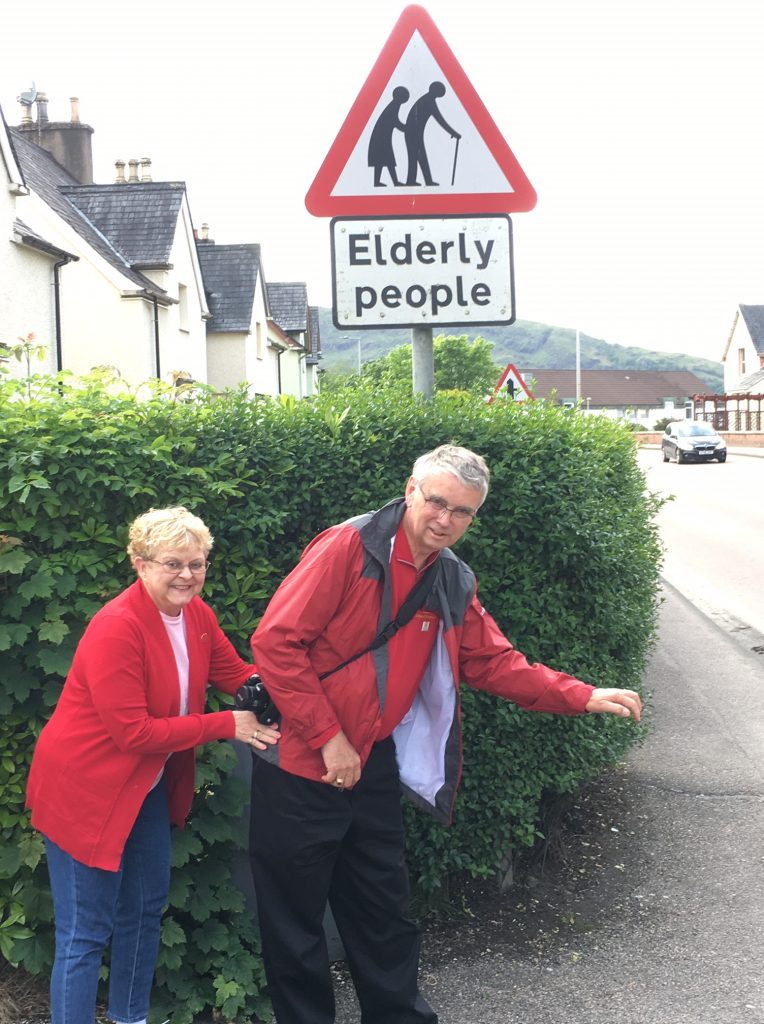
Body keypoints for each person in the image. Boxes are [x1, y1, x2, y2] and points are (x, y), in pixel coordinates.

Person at [248, 444, 642, 1024]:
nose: (445, 520)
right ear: (410, 490)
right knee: (294, 923)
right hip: (303, 765)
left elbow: (491, 661)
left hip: (371, 763)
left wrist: (580, 695)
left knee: (385, 914)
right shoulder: (348, 547)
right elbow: (276, 643)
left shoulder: (451, 578)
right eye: (437, 502)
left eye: (462, 512)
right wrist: (329, 736)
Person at [26, 506, 280, 1024]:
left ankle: (130, 1019)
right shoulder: (117, 627)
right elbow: (134, 732)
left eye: (198, 563)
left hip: (144, 789)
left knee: (143, 915)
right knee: (85, 932)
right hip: (87, 792)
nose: (188, 575)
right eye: (173, 563)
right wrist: (224, 724)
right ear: (140, 563)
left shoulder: (198, 616)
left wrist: (294, 690)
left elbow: (236, 673)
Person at [404, 81, 460, 187]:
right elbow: (440, 119)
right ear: (436, 91)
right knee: (414, 157)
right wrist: (454, 133)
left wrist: (453, 133)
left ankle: (425, 181)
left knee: (421, 158)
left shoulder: (426, 99)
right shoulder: (428, 101)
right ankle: (412, 181)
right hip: (413, 133)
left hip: (414, 133)